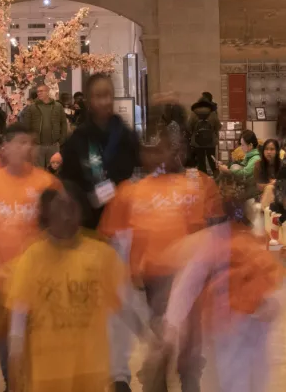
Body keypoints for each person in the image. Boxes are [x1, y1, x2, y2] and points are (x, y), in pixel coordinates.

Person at [99, 112, 218, 392]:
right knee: (161, 352)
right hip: (151, 286)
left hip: (189, 283)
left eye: (162, 150)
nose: (155, 157)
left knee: (188, 358)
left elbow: (208, 235)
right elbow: (113, 238)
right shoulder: (131, 191)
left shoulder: (197, 183)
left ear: (179, 151)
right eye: (149, 151)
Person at [164, 179, 286, 392]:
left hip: (248, 320)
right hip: (229, 321)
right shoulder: (215, 241)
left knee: (251, 374)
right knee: (236, 376)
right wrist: (173, 323)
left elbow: (267, 276)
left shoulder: (249, 237)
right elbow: (188, 284)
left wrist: (270, 304)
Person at [7, 187, 129, 392]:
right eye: (59, 210)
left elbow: (123, 311)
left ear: (80, 213)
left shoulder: (102, 256)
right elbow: (19, 315)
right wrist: (15, 356)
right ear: (47, 218)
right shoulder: (32, 258)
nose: (65, 217)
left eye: (71, 209)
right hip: (49, 372)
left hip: (90, 370)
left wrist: (120, 369)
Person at [0, 124, 60, 383]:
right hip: (0, 277)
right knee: (5, 336)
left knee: (36, 335)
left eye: (30, 142)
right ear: (4, 148)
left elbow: (59, 224)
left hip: (38, 277)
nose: (27, 148)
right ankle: (12, 382)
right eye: (20, 142)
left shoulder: (46, 182)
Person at [59, 72, 139, 230]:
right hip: (89, 223)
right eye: (99, 96)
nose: (105, 102)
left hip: (124, 222)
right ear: (89, 100)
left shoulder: (126, 136)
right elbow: (68, 182)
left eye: (109, 95)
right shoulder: (78, 139)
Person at [20, 83, 71, 169]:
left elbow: (63, 123)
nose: (38, 93)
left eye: (41, 91)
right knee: (38, 172)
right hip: (37, 145)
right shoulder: (32, 107)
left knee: (54, 171)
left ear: (47, 92)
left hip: (53, 145)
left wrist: (61, 141)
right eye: (38, 92)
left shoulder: (58, 106)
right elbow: (26, 126)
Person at [187, 96, 221, 176]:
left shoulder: (193, 114)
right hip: (211, 142)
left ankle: (203, 180)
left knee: (201, 162)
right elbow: (218, 126)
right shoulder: (212, 114)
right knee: (212, 161)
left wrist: (194, 133)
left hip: (197, 142)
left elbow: (188, 126)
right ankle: (216, 179)